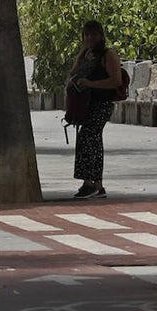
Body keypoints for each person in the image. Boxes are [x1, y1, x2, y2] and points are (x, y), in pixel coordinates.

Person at [65, 20, 122, 199]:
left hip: (102, 104)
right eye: (87, 35)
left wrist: (91, 83)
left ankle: (94, 185)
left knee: (90, 138)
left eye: (94, 35)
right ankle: (91, 184)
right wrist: (82, 56)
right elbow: (72, 74)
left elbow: (116, 81)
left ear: (101, 36)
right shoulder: (86, 54)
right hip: (86, 104)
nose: (90, 38)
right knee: (87, 140)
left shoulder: (108, 55)